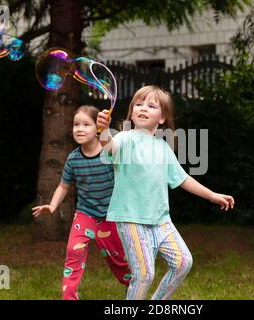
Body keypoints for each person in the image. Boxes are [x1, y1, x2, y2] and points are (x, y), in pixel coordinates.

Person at [97, 85, 235, 300]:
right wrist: (102, 131)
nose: (143, 108)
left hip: (161, 220)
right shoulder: (124, 138)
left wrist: (212, 195)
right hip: (131, 218)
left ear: (162, 118)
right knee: (144, 275)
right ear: (131, 112)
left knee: (183, 262)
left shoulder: (162, 148)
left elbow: (183, 179)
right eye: (138, 104)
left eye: (151, 106)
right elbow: (109, 147)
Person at [32, 105, 131, 300]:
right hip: (85, 214)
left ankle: (133, 286)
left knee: (117, 259)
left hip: (110, 216)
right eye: (76, 124)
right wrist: (52, 205)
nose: (79, 128)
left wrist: (108, 130)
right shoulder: (73, 159)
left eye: (86, 124)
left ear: (97, 129)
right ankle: (69, 297)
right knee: (72, 252)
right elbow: (63, 186)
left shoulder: (108, 153)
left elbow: (120, 157)